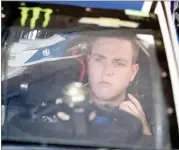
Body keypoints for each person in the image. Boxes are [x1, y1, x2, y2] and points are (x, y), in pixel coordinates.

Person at [87, 34, 152, 136]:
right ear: (89, 62)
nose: (106, 71)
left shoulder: (154, 118)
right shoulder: (60, 105)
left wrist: (144, 131)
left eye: (119, 63)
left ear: (133, 72)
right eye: (99, 59)